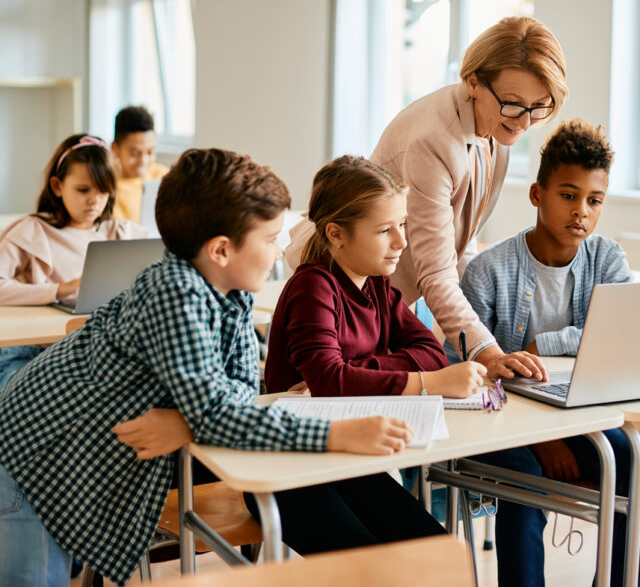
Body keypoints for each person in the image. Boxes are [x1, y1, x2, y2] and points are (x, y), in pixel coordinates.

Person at [0, 148, 425, 587]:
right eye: (269, 238)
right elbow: (222, 412)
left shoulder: (233, 291)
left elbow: (239, 394)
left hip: (82, 453)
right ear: (221, 249)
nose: (281, 250)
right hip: (31, 454)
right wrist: (337, 433)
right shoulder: (175, 292)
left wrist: (192, 423)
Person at [286, 16, 566, 383]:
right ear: (474, 83)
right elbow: (436, 270)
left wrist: (487, 335)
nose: (525, 121)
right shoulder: (434, 140)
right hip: (343, 284)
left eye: (539, 106)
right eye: (514, 104)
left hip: (384, 294)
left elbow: (458, 249)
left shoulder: (498, 128)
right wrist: (487, 351)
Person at [450, 119, 640, 587]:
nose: (581, 212)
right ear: (537, 194)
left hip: (580, 421)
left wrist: (540, 347)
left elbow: (621, 335)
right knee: (525, 482)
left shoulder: (607, 259)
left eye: (594, 201)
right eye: (568, 195)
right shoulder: (488, 272)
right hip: (501, 429)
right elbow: (464, 373)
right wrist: (543, 438)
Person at [265, 155, 487, 399]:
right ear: (336, 234)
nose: (401, 241)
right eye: (384, 230)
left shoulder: (376, 283)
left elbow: (433, 354)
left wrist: (350, 374)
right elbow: (329, 382)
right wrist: (429, 383)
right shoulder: (313, 287)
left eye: (402, 224)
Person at [0, 133, 146, 388]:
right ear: (57, 186)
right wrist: (59, 290)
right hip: (30, 352)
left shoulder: (121, 233)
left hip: (91, 353)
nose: (94, 200)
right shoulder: (31, 231)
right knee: (23, 395)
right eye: (83, 190)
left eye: (103, 192)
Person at [110, 106, 169, 223]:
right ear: (115, 149)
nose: (143, 161)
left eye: (150, 152)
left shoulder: (164, 177)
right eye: (135, 153)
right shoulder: (105, 185)